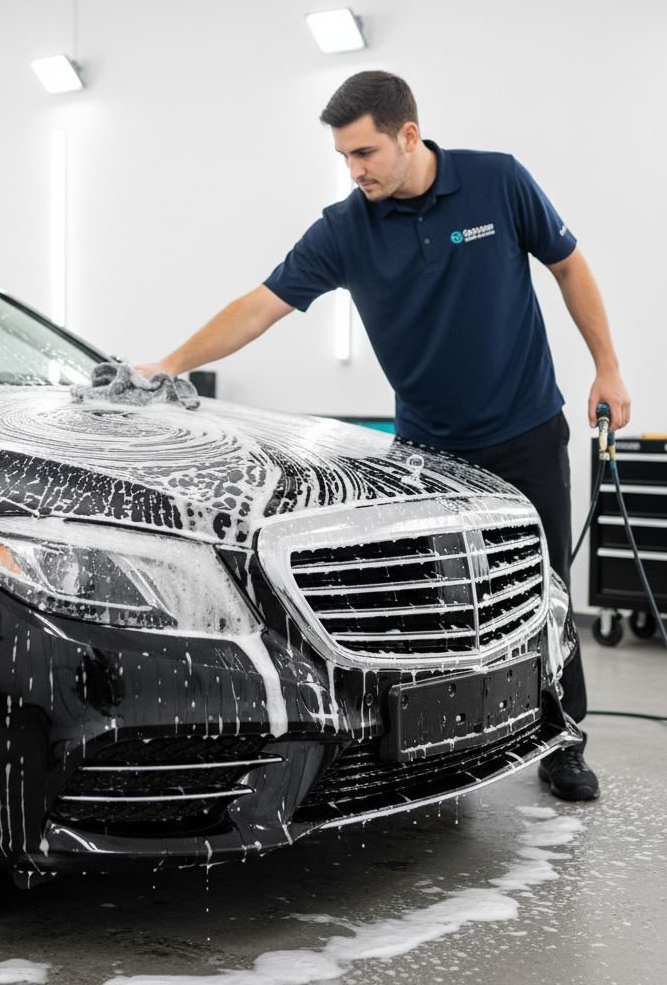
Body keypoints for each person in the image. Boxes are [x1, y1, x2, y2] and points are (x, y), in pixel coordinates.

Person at [138, 70, 630, 802]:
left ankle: (562, 739)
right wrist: (169, 363)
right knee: (436, 606)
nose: (354, 170)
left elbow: (569, 266)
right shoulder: (345, 229)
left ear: (408, 135)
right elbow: (261, 305)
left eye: (364, 153)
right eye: (344, 157)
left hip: (526, 429)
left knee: (544, 589)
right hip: (429, 454)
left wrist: (608, 368)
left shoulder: (498, 182)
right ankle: (448, 738)